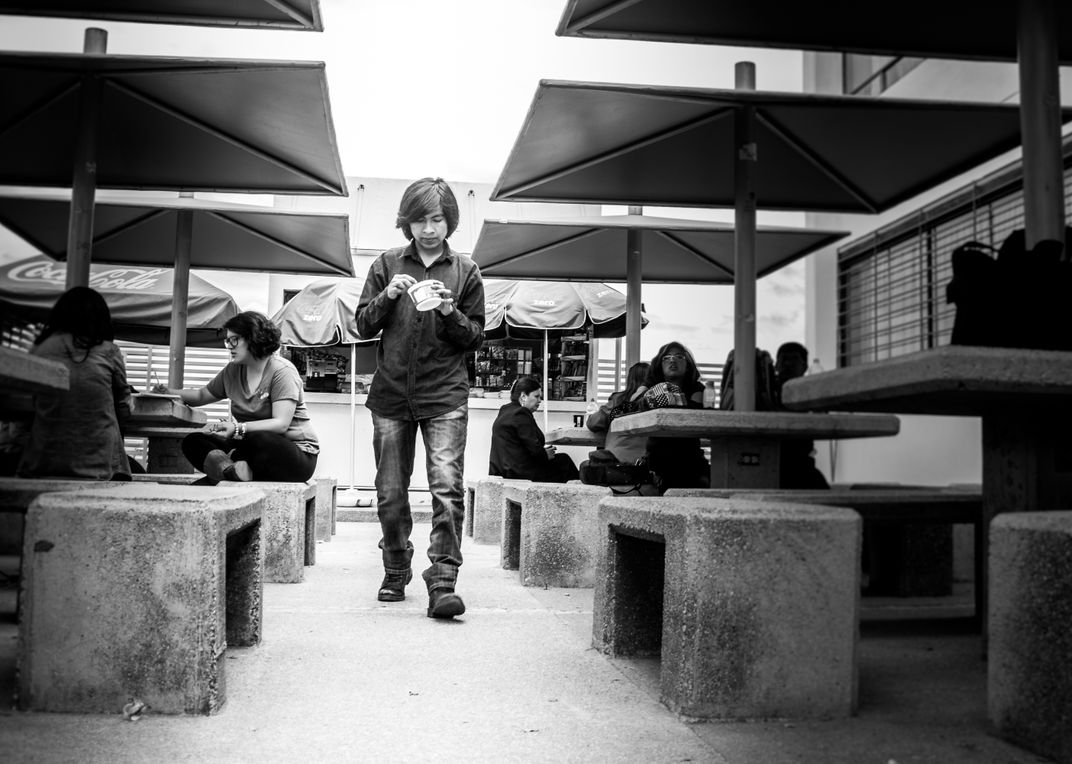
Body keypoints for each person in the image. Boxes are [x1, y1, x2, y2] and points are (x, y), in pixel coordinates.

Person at [355, 177, 485, 620]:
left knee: (447, 490)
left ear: (450, 222)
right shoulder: (386, 263)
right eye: (420, 220)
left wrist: (449, 311)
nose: (428, 229)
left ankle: (443, 582)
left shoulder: (466, 271)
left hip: (444, 395)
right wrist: (387, 296)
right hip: (391, 394)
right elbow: (361, 325)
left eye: (437, 220)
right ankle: (395, 568)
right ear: (406, 222)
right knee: (390, 492)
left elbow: (475, 338)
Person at [165, 311, 319, 485]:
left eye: (234, 340)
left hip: (294, 454)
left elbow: (280, 423)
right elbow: (201, 395)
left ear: (254, 338)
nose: (229, 346)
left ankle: (223, 472)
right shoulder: (232, 371)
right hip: (249, 448)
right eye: (228, 341)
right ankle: (231, 471)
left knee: (259, 439)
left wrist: (237, 428)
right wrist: (167, 392)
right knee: (193, 441)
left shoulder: (282, 371)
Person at [16, 286, 132, 480]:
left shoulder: (41, 348)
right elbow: (125, 409)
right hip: (97, 465)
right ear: (101, 318)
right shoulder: (109, 351)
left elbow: (28, 403)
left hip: (42, 461)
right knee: (110, 417)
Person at [642, 341, 710, 493]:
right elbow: (635, 401)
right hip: (658, 459)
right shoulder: (652, 386)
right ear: (660, 365)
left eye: (679, 357)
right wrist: (648, 385)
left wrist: (664, 398)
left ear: (688, 365)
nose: (672, 360)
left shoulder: (697, 388)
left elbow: (693, 413)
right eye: (667, 357)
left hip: (690, 459)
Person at [489, 376, 579, 483]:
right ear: (523, 396)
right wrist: (545, 454)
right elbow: (534, 449)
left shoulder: (505, 410)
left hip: (503, 471)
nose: (539, 401)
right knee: (564, 461)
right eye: (536, 396)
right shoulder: (521, 413)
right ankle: (581, 491)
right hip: (519, 473)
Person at [773, 341, 830, 489]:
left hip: (801, 462)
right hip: (774, 462)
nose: (787, 364)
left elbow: (823, 417)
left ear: (804, 366)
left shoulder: (810, 391)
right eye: (784, 359)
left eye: (793, 359)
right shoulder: (768, 392)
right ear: (776, 365)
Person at [586, 361, 650, 465]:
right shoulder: (657, 403)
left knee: (587, 465)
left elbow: (593, 423)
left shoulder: (619, 400)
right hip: (646, 464)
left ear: (630, 380)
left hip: (617, 461)